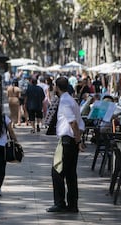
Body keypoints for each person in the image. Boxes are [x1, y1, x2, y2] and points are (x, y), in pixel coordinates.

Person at [47, 76, 84, 213]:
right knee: (70, 174)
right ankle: (72, 204)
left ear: (57, 87)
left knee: (57, 171)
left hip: (67, 141)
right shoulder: (71, 100)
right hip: (71, 141)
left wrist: (78, 140)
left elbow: (73, 122)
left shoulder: (65, 101)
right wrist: (78, 140)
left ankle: (60, 203)